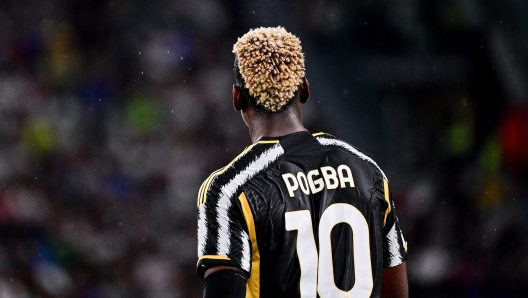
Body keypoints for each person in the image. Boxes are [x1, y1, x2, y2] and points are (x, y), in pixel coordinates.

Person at [196, 26, 408, 298]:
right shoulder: (368, 172)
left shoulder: (228, 190)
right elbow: (396, 290)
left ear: (237, 97)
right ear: (305, 89)